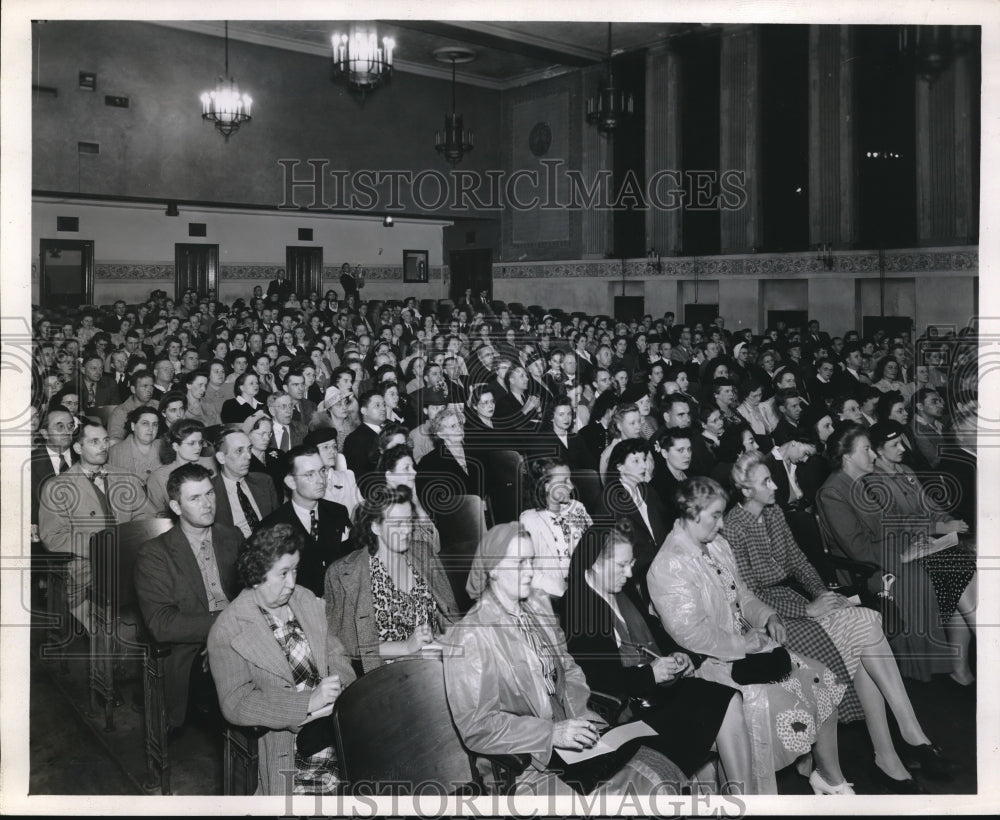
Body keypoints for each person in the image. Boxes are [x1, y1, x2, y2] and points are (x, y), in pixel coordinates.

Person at [725, 451, 948, 790]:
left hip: (797, 601)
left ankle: (906, 735)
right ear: (744, 490)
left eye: (773, 478)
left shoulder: (773, 514)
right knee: (862, 634)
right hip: (771, 619)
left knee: (866, 621)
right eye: (765, 482)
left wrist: (825, 596)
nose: (774, 486)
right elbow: (749, 593)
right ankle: (893, 752)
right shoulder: (733, 527)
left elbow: (799, 561)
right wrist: (807, 610)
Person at [441, 522, 685, 796]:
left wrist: (582, 716)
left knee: (661, 768)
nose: (530, 571)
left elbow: (568, 668)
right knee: (629, 794)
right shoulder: (470, 635)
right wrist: (550, 733)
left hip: (571, 739)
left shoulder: (537, 605)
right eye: (520, 562)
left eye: (531, 561)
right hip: (526, 762)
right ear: (494, 569)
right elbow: (478, 726)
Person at [647, 477, 853, 795]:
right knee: (784, 704)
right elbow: (691, 634)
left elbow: (742, 595)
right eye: (715, 515)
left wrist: (768, 616)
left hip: (746, 648)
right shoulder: (668, 565)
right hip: (708, 665)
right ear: (691, 513)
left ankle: (830, 778)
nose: (720, 523)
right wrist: (746, 644)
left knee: (821, 677)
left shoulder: (716, 544)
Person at [562, 520, 753, 793]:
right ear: (594, 564)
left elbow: (657, 634)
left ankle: (743, 802)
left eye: (631, 563)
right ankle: (741, 801)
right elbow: (598, 683)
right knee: (720, 719)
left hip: (655, 694)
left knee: (728, 699)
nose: (629, 574)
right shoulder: (578, 609)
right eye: (621, 565)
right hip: (624, 711)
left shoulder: (621, 591)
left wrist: (681, 656)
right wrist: (650, 674)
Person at [816, 423, 974, 685]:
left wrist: (916, 540)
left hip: (892, 553)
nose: (874, 456)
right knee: (940, 572)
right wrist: (903, 553)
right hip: (866, 568)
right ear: (847, 456)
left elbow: (894, 523)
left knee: (957, 564)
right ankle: (943, 667)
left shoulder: (862, 483)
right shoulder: (833, 492)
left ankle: (957, 663)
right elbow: (857, 549)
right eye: (866, 449)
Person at [208, 522, 356, 795]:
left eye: (295, 570)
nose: (292, 583)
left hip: (337, 730)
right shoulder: (229, 628)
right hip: (288, 746)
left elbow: (336, 652)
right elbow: (236, 702)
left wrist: (341, 689)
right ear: (256, 576)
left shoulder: (304, 599)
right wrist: (307, 703)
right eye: (283, 573)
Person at [866, 421, 977, 686]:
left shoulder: (905, 471)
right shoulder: (873, 482)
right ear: (878, 450)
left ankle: (960, 669)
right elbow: (894, 523)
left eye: (903, 442)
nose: (903, 448)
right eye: (895, 445)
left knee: (968, 570)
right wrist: (939, 527)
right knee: (960, 572)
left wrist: (949, 522)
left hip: (928, 542)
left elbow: (931, 506)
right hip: (904, 550)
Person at [134, 463, 243, 730]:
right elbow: (162, 624)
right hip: (192, 651)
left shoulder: (232, 536)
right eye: (195, 498)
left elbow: (251, 594)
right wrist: (223, 628)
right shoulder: (155, 554)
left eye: (210, 494)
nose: (207, 504)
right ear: (176, 507)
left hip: (241, 635)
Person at [325, 486, 458, 675]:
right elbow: (347, 645)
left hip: (436, 662)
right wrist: (405, 647)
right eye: (397, 523)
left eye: (409, 521)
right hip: (387, 674)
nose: (406, 530)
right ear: (376, 526)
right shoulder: (344, 573)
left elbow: (448, 615)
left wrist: (453, 641)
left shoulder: (423, 553)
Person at [39, 420, 156, 632]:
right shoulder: (57, 487)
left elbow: (146, 517)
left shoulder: (126, 478)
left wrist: (129, 545)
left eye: (105, 440)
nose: (104, 446)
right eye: (94, 441)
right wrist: (99, 548)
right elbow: (54, 537)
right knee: (107, 629)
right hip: (87, 567)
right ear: (78, 448)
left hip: (131, 561)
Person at [258, 444, 352, 597]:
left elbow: (350, 561)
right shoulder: (272, 526)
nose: (321, 480)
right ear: (291, 482)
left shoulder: (338, 512)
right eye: (310, 475)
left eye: (322, 471)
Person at [518, 458, 593, 602]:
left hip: (591, 580)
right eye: (564, 481)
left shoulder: (577, 507)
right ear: (546, 486)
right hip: (560, 593)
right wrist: (563, 589)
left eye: (570, 479)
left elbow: (598, 545)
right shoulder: (530, 521)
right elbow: (527, 571)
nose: (571, 486)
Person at [212, 425, 281, 538]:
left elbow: (278, 523)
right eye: (239, 451)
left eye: (249, 449)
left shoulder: (264, 481)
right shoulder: (210, 492)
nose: (248, 456)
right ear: (221, 458)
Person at [146, 419, 216, 513]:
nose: (198, 447)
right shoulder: (159, 477)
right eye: (192, 443)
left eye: (200, 443)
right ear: (175, 446)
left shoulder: (209, 464)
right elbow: (156, 515)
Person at [108, 405, 164, 488]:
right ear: (133, 426)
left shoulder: (165, 447)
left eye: (155, 424)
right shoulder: (115, 452)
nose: (151, 429)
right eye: (145, 423)